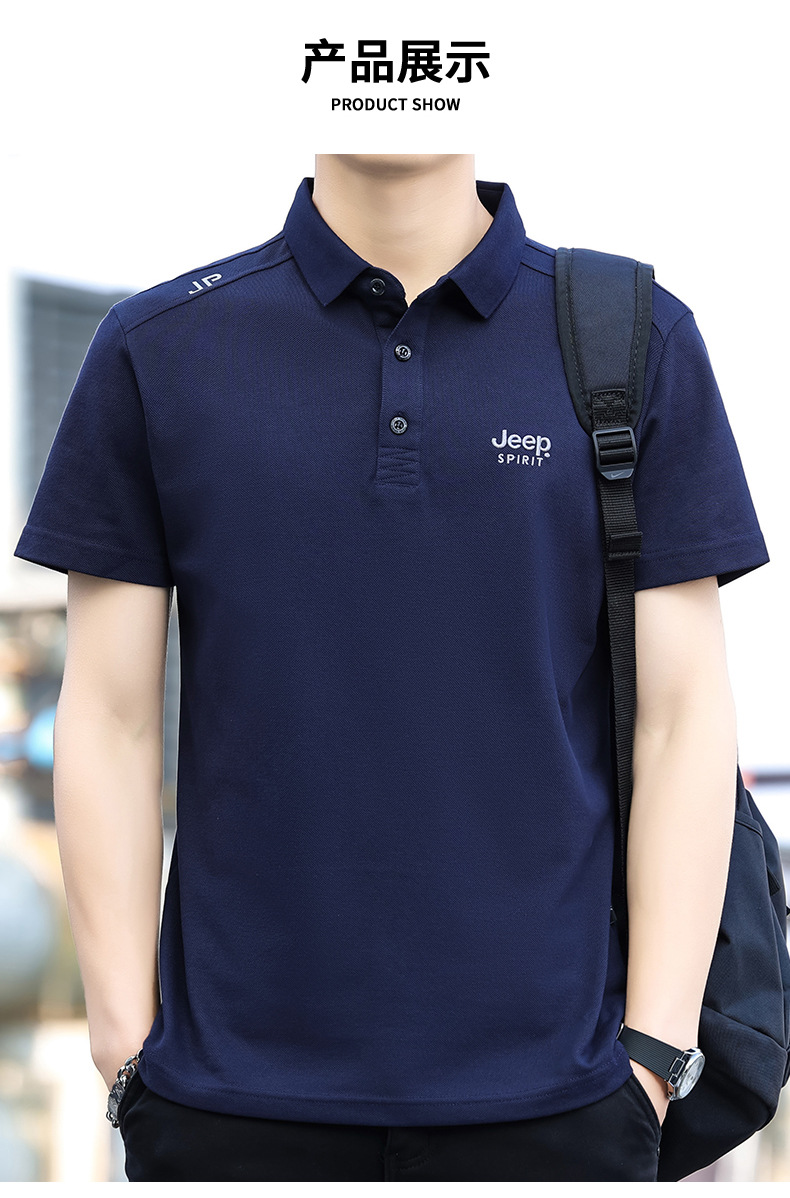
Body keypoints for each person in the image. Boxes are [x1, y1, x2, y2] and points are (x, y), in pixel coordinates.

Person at [13, 154, 770, 1181]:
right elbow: (109, 717)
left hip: (566, 1095)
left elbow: (684, 721)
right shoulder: (159, 347)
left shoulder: (635, 342)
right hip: (222, 1100)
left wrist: (653, 1054)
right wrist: (124, 1043)